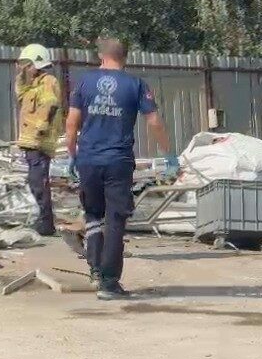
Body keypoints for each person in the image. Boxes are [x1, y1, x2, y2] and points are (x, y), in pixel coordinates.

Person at [66, 38, 178, 300]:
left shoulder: (84, 82)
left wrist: (72, 155)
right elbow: (154, 122)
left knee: (93, 215)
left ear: (100, 56)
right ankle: (109, 283)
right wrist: (169, 154)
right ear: (125, 58)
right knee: (115, 219)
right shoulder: (136, 85)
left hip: (89, 159)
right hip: (118, 161)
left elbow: (71, 123)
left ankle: (95, 270)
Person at [16, 44, 63, 236]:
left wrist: (40, 129)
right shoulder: (33, 84)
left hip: (39, 142)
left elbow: (50, 105)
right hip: (31, 143)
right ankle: (43, 220)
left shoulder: (48, 82)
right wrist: (22, 75)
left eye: (27, 64)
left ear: (37, 63)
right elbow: (21, 94)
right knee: (35, 182)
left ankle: (46, 224)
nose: (24, 68)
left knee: (38, 183)